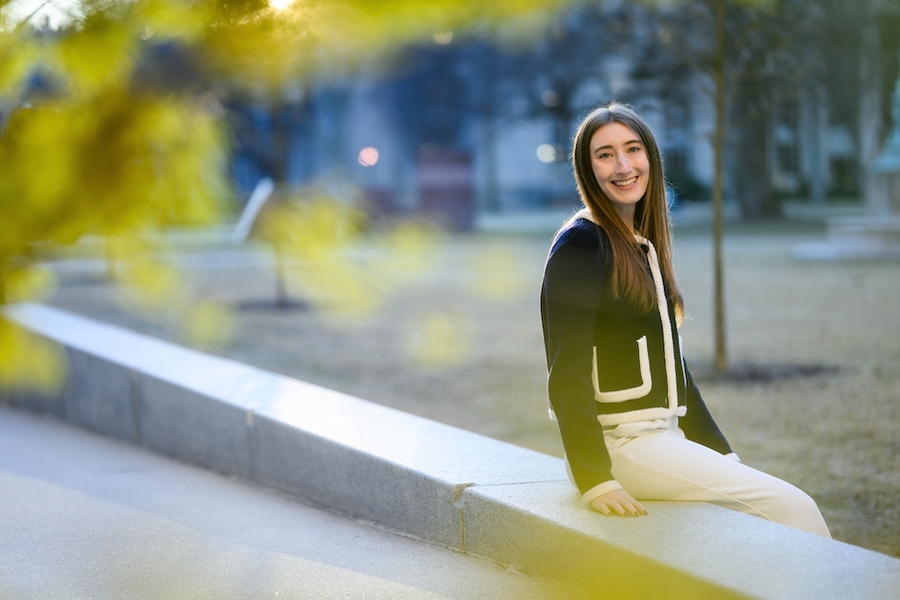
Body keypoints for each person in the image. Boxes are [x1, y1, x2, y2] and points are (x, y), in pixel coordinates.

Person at [540, 102, 830, 537]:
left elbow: (676, 372)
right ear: (587, 169)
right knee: (795, 510)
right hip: (623, 447)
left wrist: (722, 455)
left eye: (633, 149)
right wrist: (594, 479)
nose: (623, 165)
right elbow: (567, 374)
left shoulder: (638, 244)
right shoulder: (581, 247)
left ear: (650, 159)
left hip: (661, 439)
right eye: (605, 154)